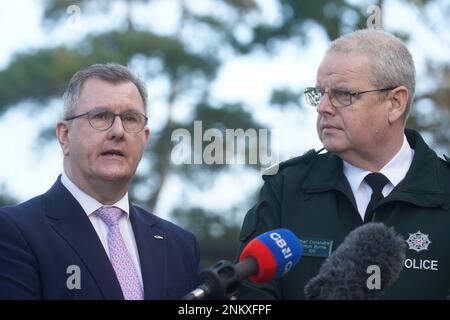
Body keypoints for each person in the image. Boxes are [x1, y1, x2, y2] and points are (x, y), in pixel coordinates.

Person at [237, 29, 450, 299]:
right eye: (320, 93)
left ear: (395, 103)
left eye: (343, 94)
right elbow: (249, 296)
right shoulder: (286, 188)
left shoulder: (444, 188)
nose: (322, 107)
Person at [0, 63, 200, 299]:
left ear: (145, 138)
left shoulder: (180, 245)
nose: (118, 131)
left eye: (130, 118)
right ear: (65, 135)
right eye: (100, 116)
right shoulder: (14, 231)